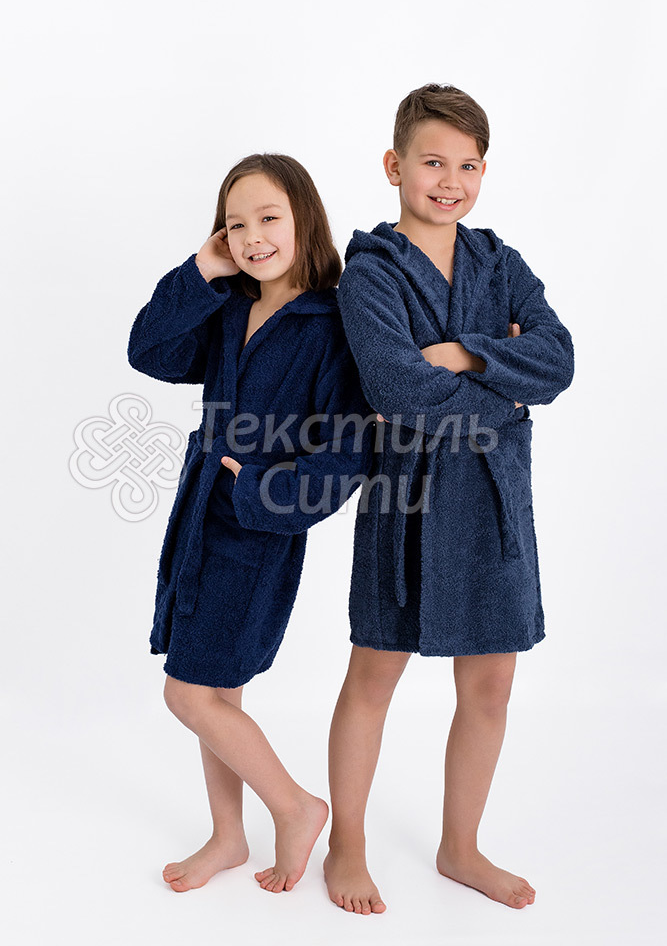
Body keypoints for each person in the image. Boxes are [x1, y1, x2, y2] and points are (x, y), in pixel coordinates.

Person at [324, 84, 575, 915]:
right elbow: (395, 387)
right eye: (433, 162)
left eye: (468, 166)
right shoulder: (370, 273)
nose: (450, 181)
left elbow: (557, 360)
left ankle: (459, 846)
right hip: (404, 498)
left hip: (494, 499)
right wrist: (504, 388)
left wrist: (463, 354)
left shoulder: (500, 263)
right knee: (373, 673)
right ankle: (347, 842)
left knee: (490, 684)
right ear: (394, 165)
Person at [127, 153, 374, 895]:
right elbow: (150, 351)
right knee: (219, 693)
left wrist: (266, 491)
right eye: (235, 226)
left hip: (256, 529)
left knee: (188, 693)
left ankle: (295, 807)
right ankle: (228, 837)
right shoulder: (231, 306)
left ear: (304, 219)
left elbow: (348, 450)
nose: (252, 237)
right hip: (201, 514)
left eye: (268, 218)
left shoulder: (332, 325)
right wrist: (201, 271)